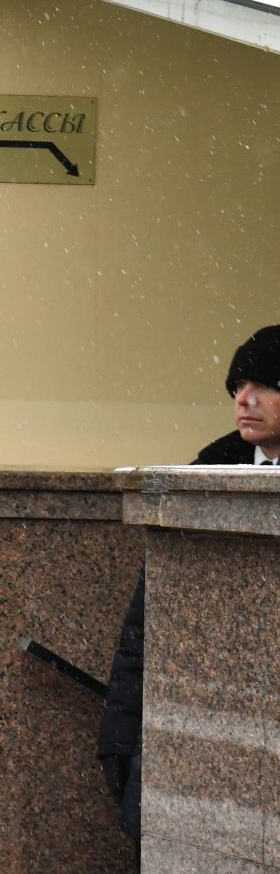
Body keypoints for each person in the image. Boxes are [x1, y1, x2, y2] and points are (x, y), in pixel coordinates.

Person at [99, 324, 280, 838]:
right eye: (239, 386)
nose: (244, 400)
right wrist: (119, 732)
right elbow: (149, 614)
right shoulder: (210, 466)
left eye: (266, 385)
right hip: (196, 731)